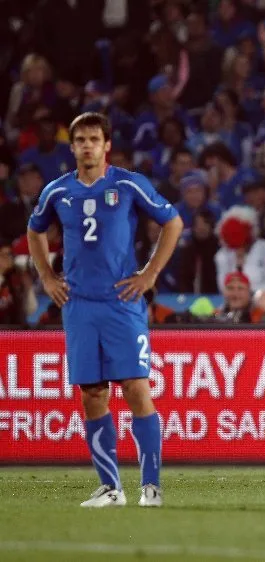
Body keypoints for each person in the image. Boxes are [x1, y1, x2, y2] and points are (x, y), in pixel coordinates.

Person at [26, 112, 183, 508]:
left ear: (107, 145)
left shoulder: (128, 183)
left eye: (94, 139)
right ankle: (111, 488)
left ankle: (151, 486)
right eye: (80, 140)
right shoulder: (57, 191)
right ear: (72, 146)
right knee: (92, 395)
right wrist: (47, 276)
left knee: (135, 388)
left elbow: (173, 223)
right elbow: (34, 229)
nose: (87, 146)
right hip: (78, 304)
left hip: (121, 302)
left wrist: (149, 274)